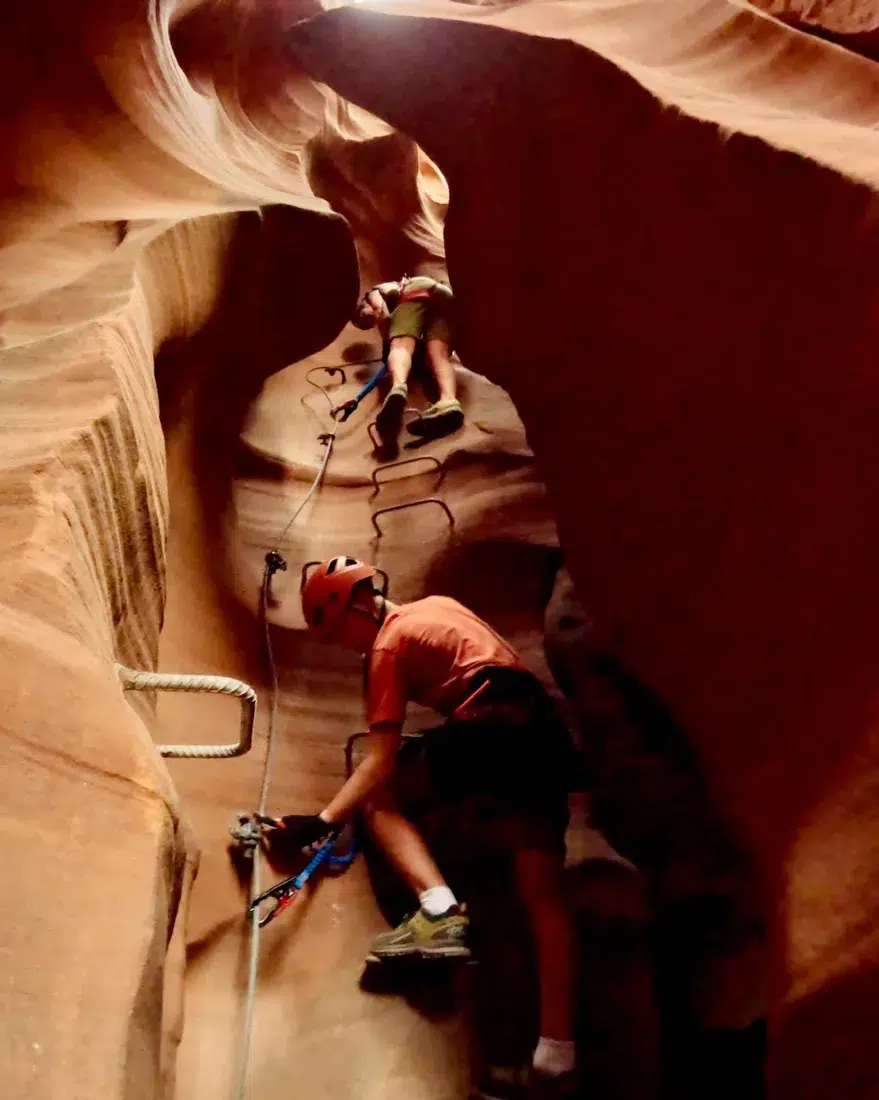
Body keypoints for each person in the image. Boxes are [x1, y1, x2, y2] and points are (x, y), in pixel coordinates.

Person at [269, 556, 580, 1099]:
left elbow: (379, 762)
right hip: (544, 734)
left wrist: (318, 822)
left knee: (380, 800)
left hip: (489, 731)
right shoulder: (440, 608)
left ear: (354, 605)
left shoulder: (388, 643)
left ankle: (438, 913)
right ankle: (558, 1051)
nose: (344, 644)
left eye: (335, 628)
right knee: (543, 896)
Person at [353, 275, 465, 443]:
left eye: (363, 318)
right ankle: (449, 401)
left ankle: (398, 388)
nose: (368, 323)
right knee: (437, 355)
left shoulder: (373, 293)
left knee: (400, 346)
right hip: (444, 298)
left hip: (415, 291)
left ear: (363, 305)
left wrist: (387, 337)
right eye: (365, 326)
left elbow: (379, 310)